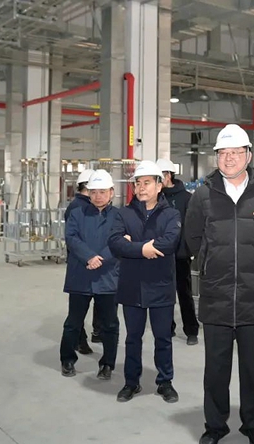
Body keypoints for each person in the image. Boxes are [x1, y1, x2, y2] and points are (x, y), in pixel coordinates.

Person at [184, 124, 254, 444]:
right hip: (217, 294)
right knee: (216, 368)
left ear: (248, 155)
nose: (229, 158)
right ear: (216, 157)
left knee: (253, 368)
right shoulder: (202, 195)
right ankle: (215, 425)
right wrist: (211, 263)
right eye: (223, 153)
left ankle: (253, 425)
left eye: (236, 152)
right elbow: (192, 238)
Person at [108, 160, 182, 404]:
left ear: (159, 186)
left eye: (147, 182)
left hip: (161, 284)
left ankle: (165, 382)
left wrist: (132, 245)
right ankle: (131, 382)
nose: (141, 187)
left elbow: (169, 242)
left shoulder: (171, 214)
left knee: (163, 338)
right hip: (132, 285)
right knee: (133, 338)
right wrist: (143, 249)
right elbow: (116, 243)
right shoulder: (124, 214)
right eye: (138, 183)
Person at [60, 169, 120, 381]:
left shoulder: (119, 216)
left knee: (110, 325)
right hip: (81, 276)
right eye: (94, 192)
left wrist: (100, 259)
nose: (98, 196)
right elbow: (71, 238)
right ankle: (67, 360)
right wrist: (89, 257)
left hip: (108, 277)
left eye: (102, 191)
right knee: (73, 323)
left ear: (111, 192)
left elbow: (120, 241)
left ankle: (107, 364)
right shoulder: (77, 213)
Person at [156, 158, 199, 345]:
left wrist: (189, 249)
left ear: (168, 175)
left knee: (184, 293)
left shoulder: (186, 198)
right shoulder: (156, 197)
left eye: (160, 176)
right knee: (164, 294)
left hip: (180, 254)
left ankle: (191, 331)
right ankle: (168, 327)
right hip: (160, 253)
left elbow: (191, 226)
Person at [64, 168, 101, 355]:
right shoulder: (79, 208)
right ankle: (78, 342)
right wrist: (91, 256)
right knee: (78, 311)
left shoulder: (79, 205)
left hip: (85, 262)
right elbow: (75, 239)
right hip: (83, 264)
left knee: (81, 309)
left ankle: (86, 338)